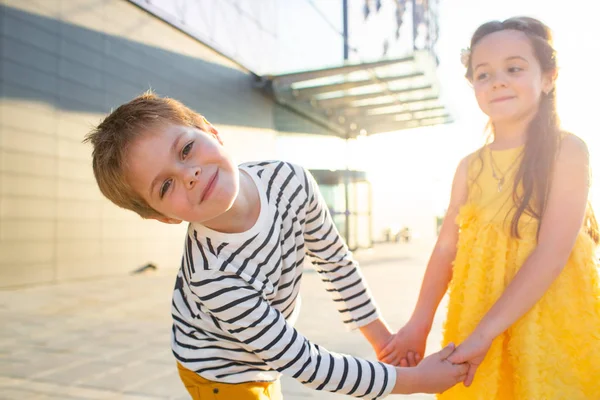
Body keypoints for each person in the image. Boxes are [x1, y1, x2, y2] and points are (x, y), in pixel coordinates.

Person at [83, 92, 467, 399]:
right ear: (164, 217)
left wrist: (384, 342)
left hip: (265, 352)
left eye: (186, 150)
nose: (190, 175)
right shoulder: (213, 275)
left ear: (212, 132)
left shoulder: (290, 181)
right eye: (165, 186)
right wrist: (414, 380)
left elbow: (334, 261)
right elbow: (305, 363)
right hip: (221, 373)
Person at [378, 16, 600, 399]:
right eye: (483, 74)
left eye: (514, 68)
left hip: (547, 322)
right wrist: (419, 323)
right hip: (476, 319)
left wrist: (485, 334)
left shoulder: (568, 150)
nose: (497, 80)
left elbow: (552, 251)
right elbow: (446, 249)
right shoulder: (469, 166)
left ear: (549, 78)